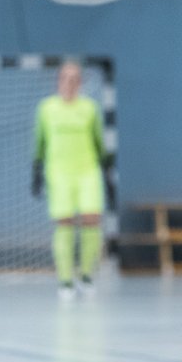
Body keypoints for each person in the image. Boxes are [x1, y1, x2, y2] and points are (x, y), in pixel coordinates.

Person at [32, 60, 114, 299]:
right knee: (64, 223)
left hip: (87, 170)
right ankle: (65, 280)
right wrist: (36, 172)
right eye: (65, 77)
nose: (70, 82)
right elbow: (39, 142)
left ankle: (87, 274)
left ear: (80, 82)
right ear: (58, 80)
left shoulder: (89, 108)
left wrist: (107, 175)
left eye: (75, 78)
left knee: (91, 219)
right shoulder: (46, 108)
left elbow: (99, 143)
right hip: (59, 172)